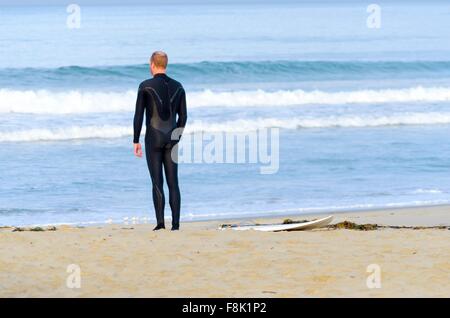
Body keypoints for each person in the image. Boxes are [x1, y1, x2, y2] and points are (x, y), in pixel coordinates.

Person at [133, 51, 187, 231]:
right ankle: (176, 225)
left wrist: (136, 140)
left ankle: (160, 223)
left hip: (153, 139)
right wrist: (176, 136)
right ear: (166, 64)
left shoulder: (145, 86)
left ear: (152, 64)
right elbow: (184, 116)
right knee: (173, 182)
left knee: (157, 182)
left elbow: (138, 115)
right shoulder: (179, 86)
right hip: (172, 138)